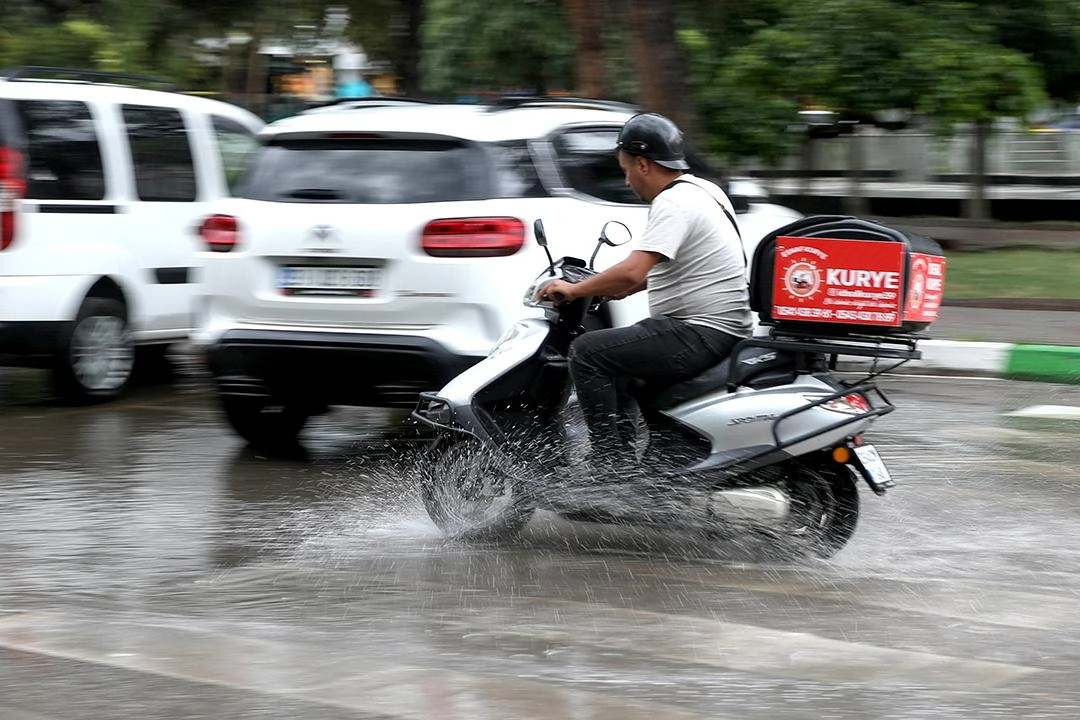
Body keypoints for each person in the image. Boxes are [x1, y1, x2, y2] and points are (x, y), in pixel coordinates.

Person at [536, 112, 752, 478]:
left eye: (626, 170)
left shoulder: (673, 203)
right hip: (720, 328)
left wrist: (573, 289)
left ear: (643, 163)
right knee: (620, 356)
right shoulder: (705, 190)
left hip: (700, 330)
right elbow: (681, 266)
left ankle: (609, 466)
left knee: (587, 353)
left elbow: (635, 267)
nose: (627, 179)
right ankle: (649, 467)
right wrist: (621, 288)